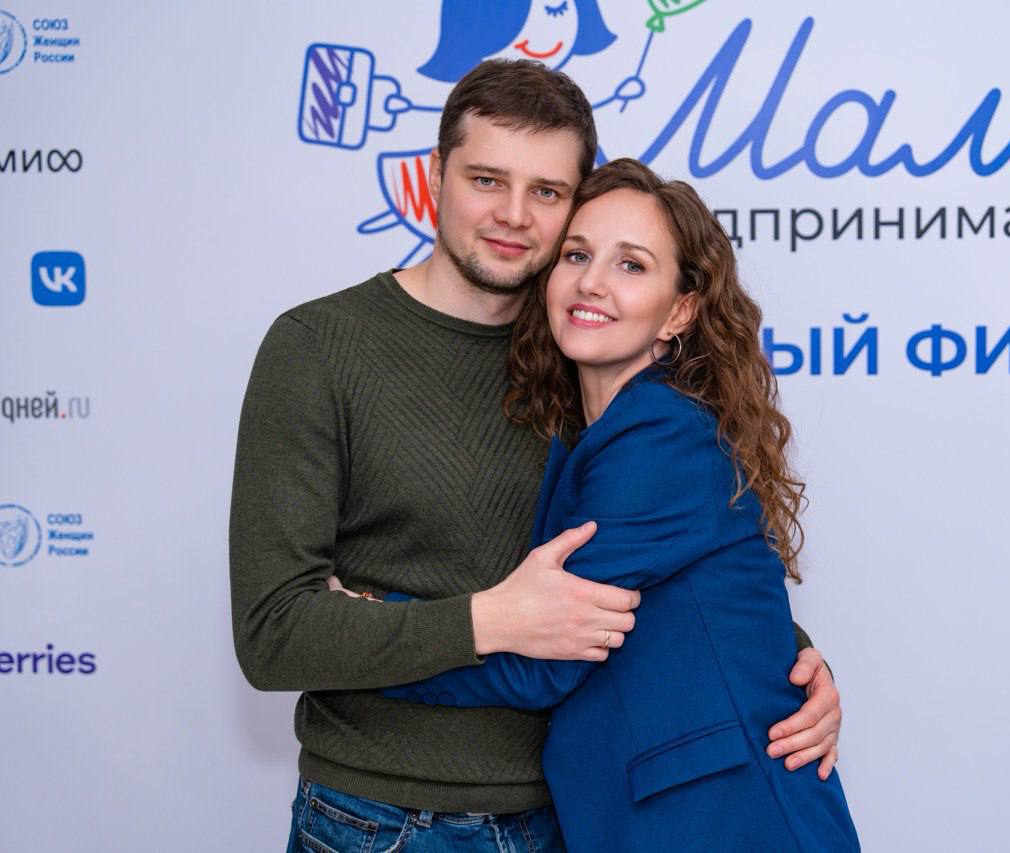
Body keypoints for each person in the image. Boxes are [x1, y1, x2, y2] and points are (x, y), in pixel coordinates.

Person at [229, 60, 843, 852]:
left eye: (547, 192)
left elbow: (645, 572)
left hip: (566, 819)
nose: (514, 215)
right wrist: (486, 620)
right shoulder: (318, 347)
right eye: (487, 179)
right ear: (434, 176)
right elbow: (275, 632)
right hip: (382, 818)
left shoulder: (583, 358)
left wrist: (795, 663)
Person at [378, 158, 860, 851]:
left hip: (729, 822)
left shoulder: (661, 435)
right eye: (576, 255)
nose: (591, 281)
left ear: (680, 311)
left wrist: (367, 637)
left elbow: (549, 659)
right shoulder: (596, 433)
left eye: (631, 265)